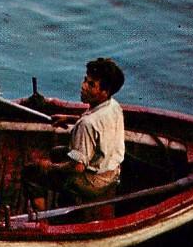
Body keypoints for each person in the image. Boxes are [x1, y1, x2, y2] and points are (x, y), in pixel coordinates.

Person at [24, 58, 125, 211]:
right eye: (85, 80)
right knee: (57, 152)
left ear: (105, 92)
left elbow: (77, 167)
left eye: (91, 85)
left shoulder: (87, 124)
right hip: (112, 172)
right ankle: (67, 199)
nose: (83, 86)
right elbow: (98, 126)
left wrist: (49, 167)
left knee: (31, 172)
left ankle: (42, 217)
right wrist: (69, 118)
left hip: (93, 182)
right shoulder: (114, 106)